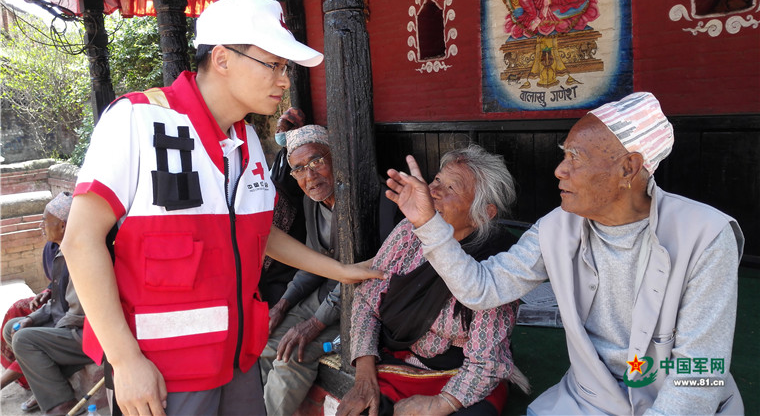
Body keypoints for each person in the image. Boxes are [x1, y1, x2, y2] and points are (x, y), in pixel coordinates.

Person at [61, 0, 378, 416]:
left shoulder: (247, 143)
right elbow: (80, 241)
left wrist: (342, 271)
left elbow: (259, 233)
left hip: (236, 362)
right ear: (223, 58)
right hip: (162, 373)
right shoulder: (138, 120)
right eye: (274, 65)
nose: (284, 81)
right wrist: (125, 360)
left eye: (285, 68)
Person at [385, 92, 744, 414]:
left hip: (671, 399)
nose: (560, 170)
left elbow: (699, 375)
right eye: (563, 155)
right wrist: (427, 223)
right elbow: (482, 289)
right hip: (591, 399)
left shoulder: (707, 236)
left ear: (629, 168)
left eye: (576, 157)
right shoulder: (558, 227)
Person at [337, 145, 530, 416]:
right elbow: (367, 301)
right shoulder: (409, 231)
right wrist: (364, 377)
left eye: (452, 187)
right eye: (437, 179)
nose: (433, 191)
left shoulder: (496, 263)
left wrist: (441, 403)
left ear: (484, 214)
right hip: (399, 365)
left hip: (463, 375)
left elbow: (485, 362)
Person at [260, 125, 401, 416]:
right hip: (323, 298)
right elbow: (312, 263)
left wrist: (315, 323)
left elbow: (369, 274)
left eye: (317, 161)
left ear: (336, 158)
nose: (310, 176)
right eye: (299, 169)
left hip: (361, 306)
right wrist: (283, 304)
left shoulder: (373, 198)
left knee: (292, 357)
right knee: (264, 346)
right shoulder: (311, 202)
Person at [3, 192, 94, 415]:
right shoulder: (62, 252)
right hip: (69, 325)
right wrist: (32, 318)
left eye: (45, 221)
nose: (41, 226)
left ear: (63, 226)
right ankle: (49, 387)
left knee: (25, 339)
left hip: (86, 334)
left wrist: (49, 332)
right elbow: (57, 302)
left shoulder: (81, 257)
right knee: (13, 327)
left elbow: (78, 314)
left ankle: (62, 405)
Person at [1, 242, 59, 412]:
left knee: (26, 338)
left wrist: (35, 319)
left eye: (46, 227)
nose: (42, 229)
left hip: (69, 313)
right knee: (16, 315)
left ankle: (45, 388)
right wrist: (47, 292)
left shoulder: (77, 248)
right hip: (56, 303)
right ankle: (28, 376)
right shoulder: (52, 247)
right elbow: (58, 282)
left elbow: (70, 302)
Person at [260, 107, 308, 307]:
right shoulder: (282, 155)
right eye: (278, 129)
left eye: (284, 128)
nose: (279, 133)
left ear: (295, 130)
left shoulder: (300, 156)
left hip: (294, 217)